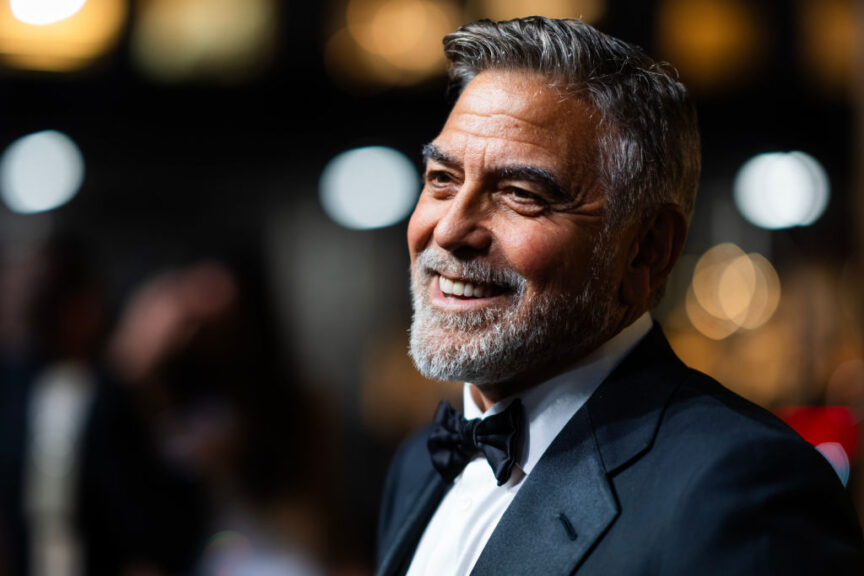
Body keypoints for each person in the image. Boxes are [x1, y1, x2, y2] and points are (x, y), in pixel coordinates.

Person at [376, 16, 864, 576]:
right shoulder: (417, 465)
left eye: (520, 193)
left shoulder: (744, 490)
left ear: (646, 250)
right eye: (442, 179)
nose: (448, 230)